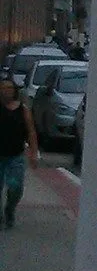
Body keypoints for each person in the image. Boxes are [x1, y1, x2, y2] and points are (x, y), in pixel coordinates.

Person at [0, 79, 39, 229]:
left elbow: (31, 132)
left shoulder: (23, 110)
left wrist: (33, 153)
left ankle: (10, 209)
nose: (6, 91)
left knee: (15, 187)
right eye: (3, 88)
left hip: (15, 156)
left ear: (14, 90)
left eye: (9, 88)